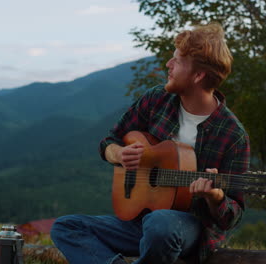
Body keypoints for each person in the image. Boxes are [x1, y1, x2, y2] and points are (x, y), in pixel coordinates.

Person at [51, 23, 250, 264]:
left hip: (189, 229)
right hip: (141, 221)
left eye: (177, 61)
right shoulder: (157, 99)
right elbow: (109, 141)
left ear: (198, 76)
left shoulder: (232, 135)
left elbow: (233, 215)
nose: (168, 64)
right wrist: (118, 154)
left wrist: (215, 196)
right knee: (66, 227)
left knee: (161, 224)